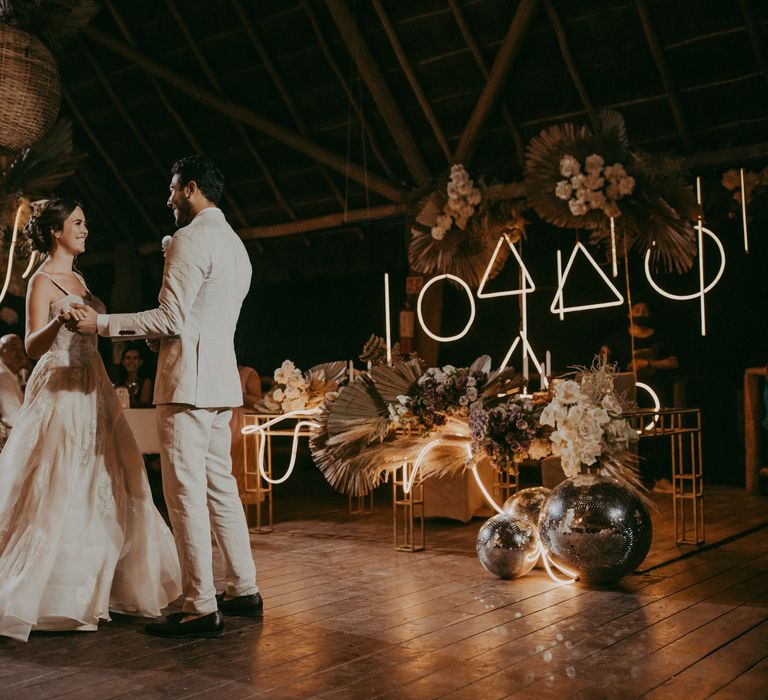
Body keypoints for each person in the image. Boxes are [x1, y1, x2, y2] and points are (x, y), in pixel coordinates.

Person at [73, 156, 261, 639]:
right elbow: (198, 319)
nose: (169, 199)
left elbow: (172, 318)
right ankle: (243, 589)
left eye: (174, 190)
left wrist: (103, 324)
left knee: (183, 494)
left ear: (192, 189)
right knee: (221, 488)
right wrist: (162, 334)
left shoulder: (189, 240)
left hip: (187, 388)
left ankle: (199, 603)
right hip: (221, 385)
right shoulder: (237, 246)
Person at [0, 198, 181, 642]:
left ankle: (97, 589)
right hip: (59, 390)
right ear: (56, 231)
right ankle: (48, 595)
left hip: (93, 387)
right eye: (78, 223)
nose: (85, 228)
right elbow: (31, 347)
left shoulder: (80, 276)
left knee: (107, 479)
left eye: (85, 221)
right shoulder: (42, 281)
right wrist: (59, 321)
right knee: (58, 481)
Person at [602, 300, 680, 493]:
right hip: (628, 393)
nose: (641, 313)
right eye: (637, 310)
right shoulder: (619, 337)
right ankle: (631, 478)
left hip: (656, 392)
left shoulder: (660, 337)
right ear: (629, 314)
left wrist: (648, 363)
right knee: (630, 434)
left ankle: (661, 478)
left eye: (645, 310)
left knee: (658, 434)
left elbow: (674, 362)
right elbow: (606, 356)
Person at [230, 359, 263, 506]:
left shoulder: (248, 373)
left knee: (242, 458)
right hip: (226, 419)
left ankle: (244, 495)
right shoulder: (218, 370)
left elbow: (257, 400)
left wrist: (234, 393)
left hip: (243, 420)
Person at [0, 334, 26, 432]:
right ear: (1, 351)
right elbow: (12, 418)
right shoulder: (3, 377)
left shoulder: (11, 373)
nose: (20, 352)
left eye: (22, 348)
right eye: (14, 348)